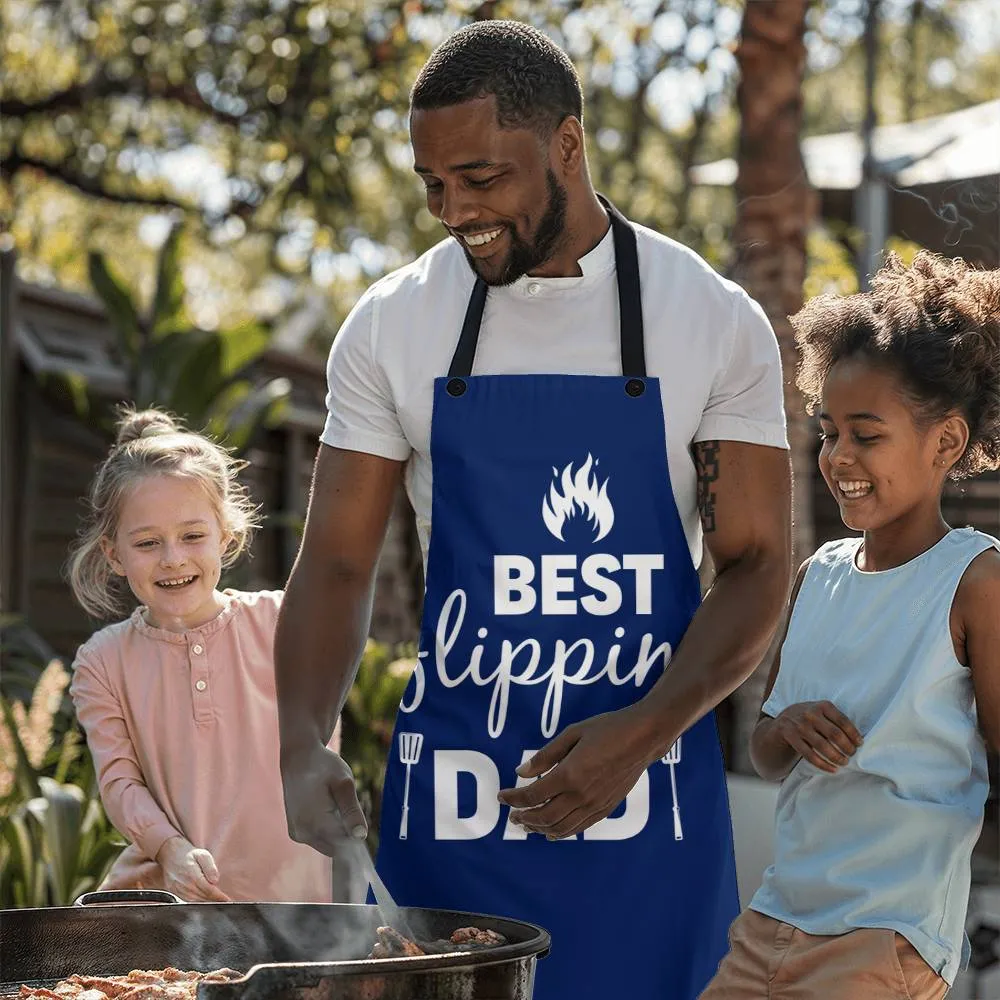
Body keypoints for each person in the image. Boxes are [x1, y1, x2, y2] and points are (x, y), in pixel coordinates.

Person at [276, 20, 791, 1000]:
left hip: (650, 816)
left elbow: (760, 562)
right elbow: (336, 564)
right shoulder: (392, 325)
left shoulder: (709, 318)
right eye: (433, 185)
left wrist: (641, 730)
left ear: (565, 144)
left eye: (480, 178)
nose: (452, 210)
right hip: (454, 825)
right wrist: (303, 734)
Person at [698, 252, 1000, 1000]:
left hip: (884, 937)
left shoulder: (975, 582)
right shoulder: (818, 575)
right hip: (772, 921)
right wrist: (791, 726)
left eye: (866, 435)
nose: (838, 458)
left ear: (945, 444)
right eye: (828, 432)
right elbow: (768, 757)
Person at [68, 407, 336, 903]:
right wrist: (169, 852)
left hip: (296, 915)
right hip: (165, 912)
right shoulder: (101, 662)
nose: (173, 558)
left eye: (193, 536)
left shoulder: (284, 623)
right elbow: (120, 783)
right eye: (147, 543)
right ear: (113, 554)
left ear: (226, 535)